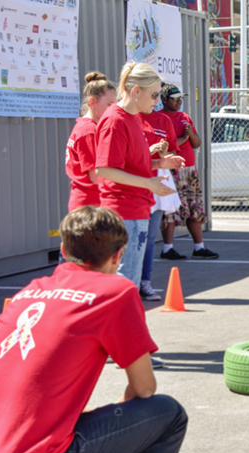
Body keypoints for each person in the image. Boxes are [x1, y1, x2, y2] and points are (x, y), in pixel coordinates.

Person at [0, 206, 188, 453]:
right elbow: (144, 388)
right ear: (119, 256)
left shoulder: (30, 292)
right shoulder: (115, 292)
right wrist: (116, 417)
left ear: (63, 250)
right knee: (169, 414)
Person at [95, 62, 184, 288]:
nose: (157, 100)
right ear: (136, 91)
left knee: (128, 282)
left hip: (136, 209)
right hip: (124, 211)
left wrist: (159, 162)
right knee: (125, 283)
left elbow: (130, 162)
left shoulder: (133, 118)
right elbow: (104, 169)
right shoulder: (115, 120)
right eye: (154, 95)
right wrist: (148, 183)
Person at [159, 84, 218, 260]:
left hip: (189, 171)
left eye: (180, 98)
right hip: (171, 170)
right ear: (163, 100)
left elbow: (197, 143)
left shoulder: (185, 117)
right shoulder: (160, 118)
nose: (178, 102)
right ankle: (167, 249)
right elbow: (163, 146)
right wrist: (184, 138)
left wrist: (191, 135)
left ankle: (199, 247)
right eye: (174, 98)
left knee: (195, 208)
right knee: (170, 209)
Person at [136, 100, 182, 302]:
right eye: (151, 95)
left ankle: (144, 282)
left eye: (156, 95)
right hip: (135, 183)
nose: (153, 100)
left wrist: (165, 154)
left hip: (157, 183)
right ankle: (128, 282)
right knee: (131, 237)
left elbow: (174, 153)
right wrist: (150, 148)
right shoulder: (128, 117)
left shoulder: (163, 120)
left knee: (149, 238)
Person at [65, 72, 117, 213]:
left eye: (115, 105)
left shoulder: (88, 126)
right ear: (92, 102)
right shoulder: (89, 131)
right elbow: (96, 176)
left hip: (89, 203)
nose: (113, 110)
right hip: (90, 207)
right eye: (109, 104)